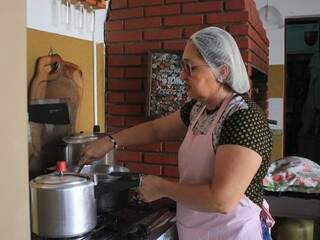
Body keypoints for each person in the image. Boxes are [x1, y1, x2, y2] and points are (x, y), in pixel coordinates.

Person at [79, 27, 274, 240]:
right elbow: (156, 129)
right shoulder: (198, 109)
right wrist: (110, 141)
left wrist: (162, 188)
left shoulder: (244, 119)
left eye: (190, 68)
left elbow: (222, 200)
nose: (182, 76)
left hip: (234, 234)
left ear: (222, 71)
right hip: (196, 230)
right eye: (182, 67)